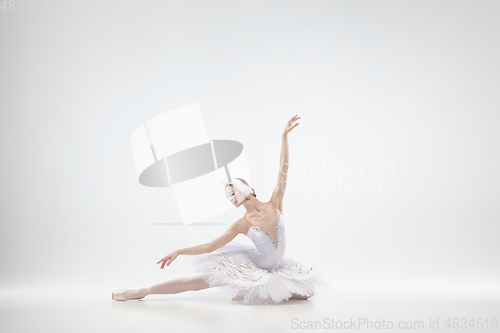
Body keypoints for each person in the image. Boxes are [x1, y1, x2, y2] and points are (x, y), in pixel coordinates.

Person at [112, 115, 328, 304]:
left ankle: (248, 291)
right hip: (251, 265)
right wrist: (179, 251)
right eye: (228, 197)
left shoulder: (275, 203)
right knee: (197, 282)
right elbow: (209, 246)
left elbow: (284, 169)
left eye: (232, 193)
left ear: (246, 188)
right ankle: (144, 291)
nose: (231, 200)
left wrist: (284, 137)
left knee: (307, 292)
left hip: (276, 267)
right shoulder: (242, 224)